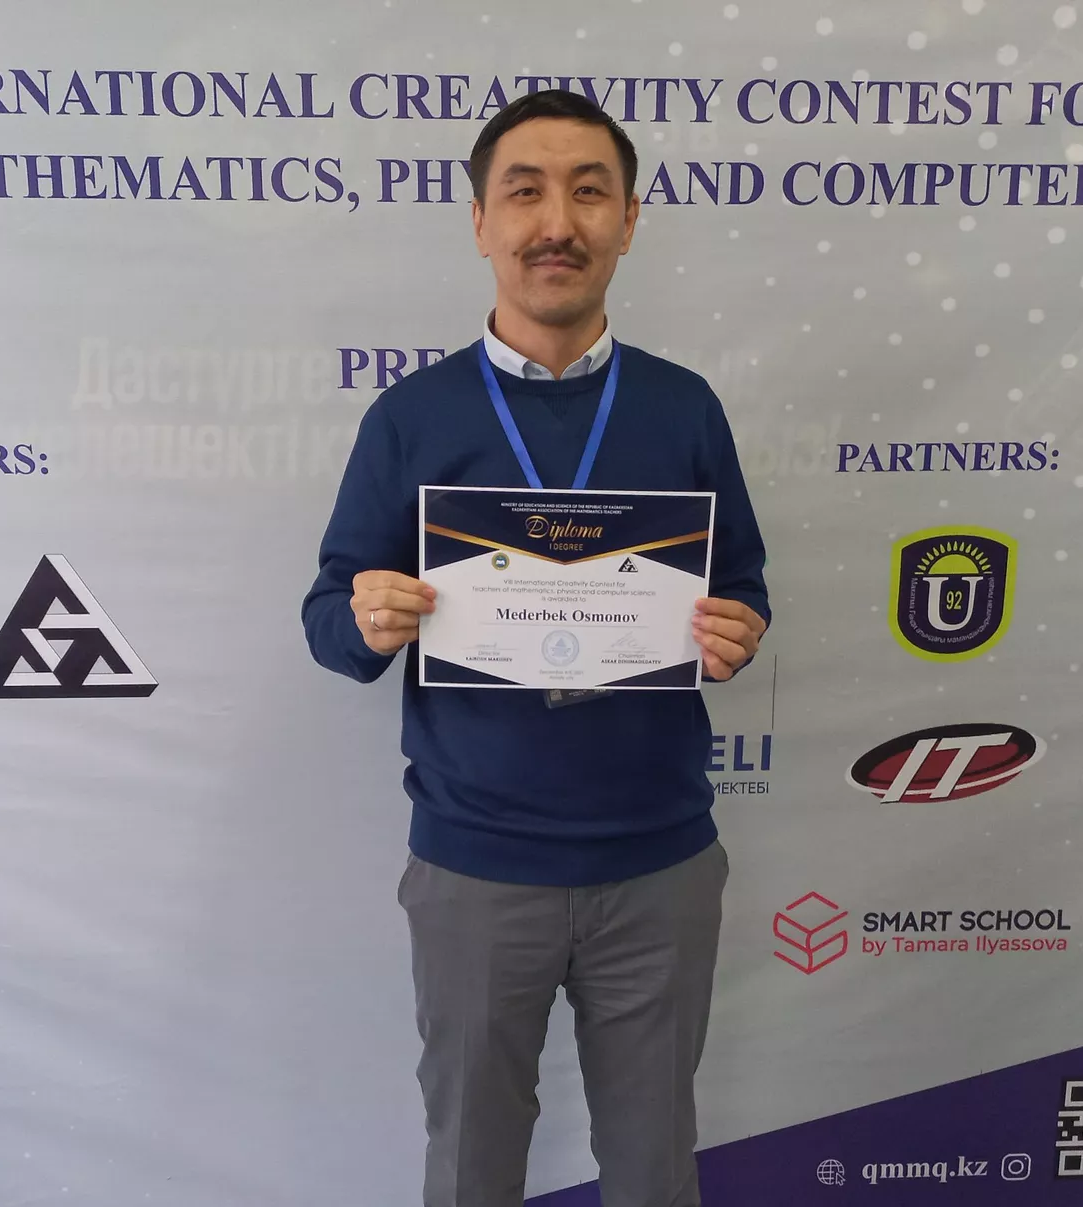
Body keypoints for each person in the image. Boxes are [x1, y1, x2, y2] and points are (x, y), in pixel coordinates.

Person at [301, 89, 770, 1207]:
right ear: (481, 221)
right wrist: (365, 619)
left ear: (629, 220)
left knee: (654, 1167)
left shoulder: (684, 408)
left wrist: (737, 630)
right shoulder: (411, 417)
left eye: (589, 192)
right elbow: (329, 620)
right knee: (472, 1162)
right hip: (476, 867)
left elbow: (743, 587)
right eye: (524, 192)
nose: (557, 222)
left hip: (658, 865)